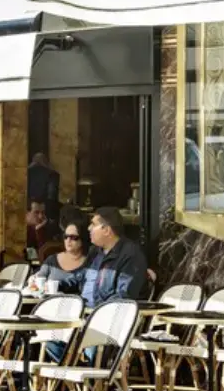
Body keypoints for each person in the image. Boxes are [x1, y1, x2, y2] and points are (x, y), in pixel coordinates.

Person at [30, 217, 91, 362]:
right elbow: (38, 281)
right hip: (48, 313)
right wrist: (33, 281)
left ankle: (69, 365)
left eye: (74, 237)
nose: (68, 240)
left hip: (72, 317)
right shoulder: (52, 260)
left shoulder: (89, 264)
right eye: (66, 236)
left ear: (83, 240)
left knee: (48, 340)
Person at [82, 207, 148, 307]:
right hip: (82, 309)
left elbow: (123, 296)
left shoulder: (131, 255)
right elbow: (80, 277)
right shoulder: (95, 251)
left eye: (93, 224)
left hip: (106, 313)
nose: (89, 228)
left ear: (107, 230)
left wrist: (97, 310)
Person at [27, 154, 61, 220]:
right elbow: (52, 195)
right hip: (45, 211)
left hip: (29, 210)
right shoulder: (52, 174)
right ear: (46, 161)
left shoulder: (25, 173)